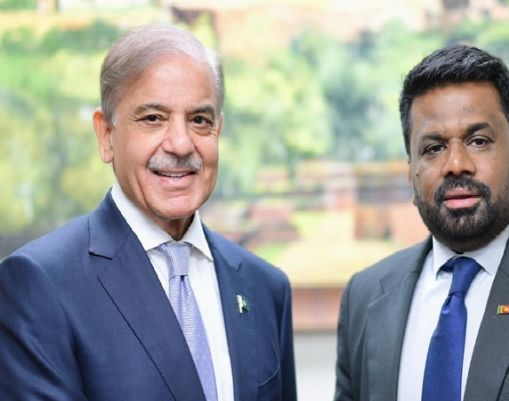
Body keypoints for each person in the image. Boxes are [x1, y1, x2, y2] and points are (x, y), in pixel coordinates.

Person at [0, 24, 296, 401]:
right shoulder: (40, 284)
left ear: (218, 130)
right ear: (106, 136)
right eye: (153, 118)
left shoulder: (265, 287)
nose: (180, 144)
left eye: (199, 120)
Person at [334, 44, 509, 401]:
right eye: (434, 148)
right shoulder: (364, 296)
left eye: (478, 141)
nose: (456, 164)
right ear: (411, 174)